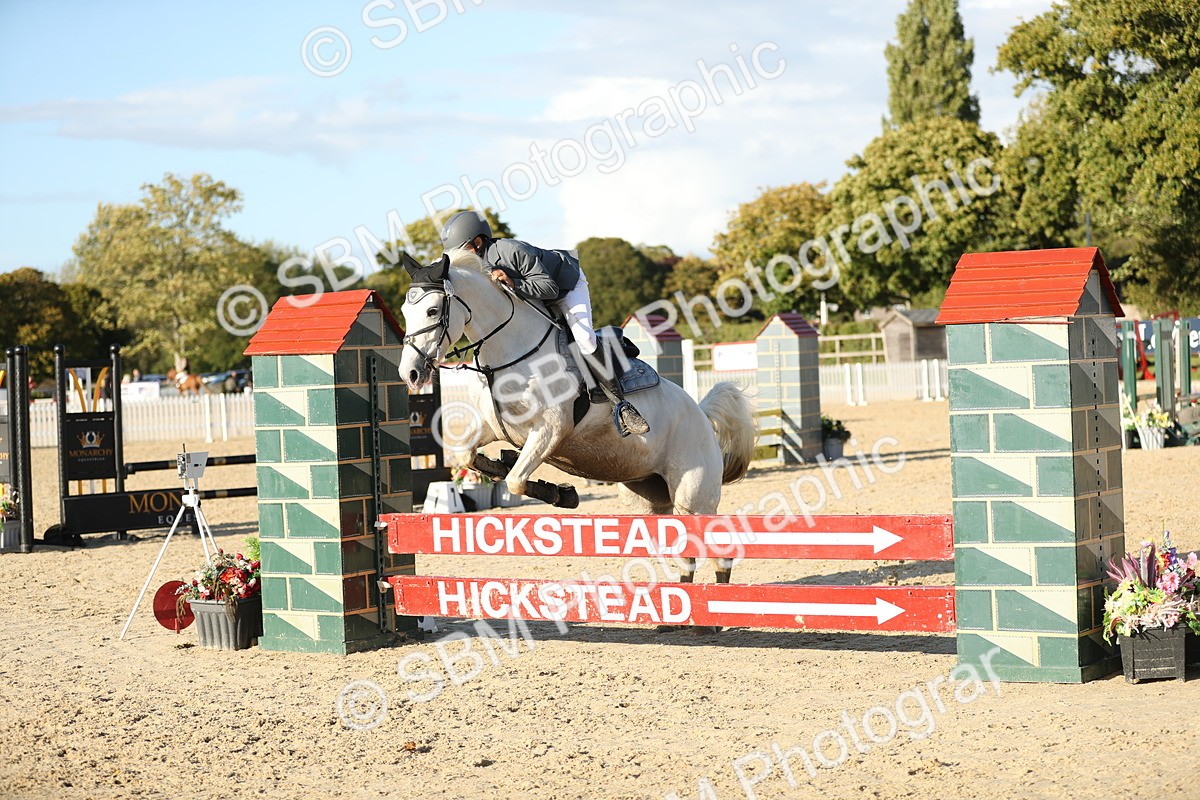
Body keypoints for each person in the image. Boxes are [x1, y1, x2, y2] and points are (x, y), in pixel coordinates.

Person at [439, 210, 649, 436]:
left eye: (462, 249)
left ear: (478, 242)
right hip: (534, 293)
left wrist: (513, 282)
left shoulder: (511, 251)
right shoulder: (477, 267)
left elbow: (550, 289)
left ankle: (622, 406)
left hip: (566, 286)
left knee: (584, 339)